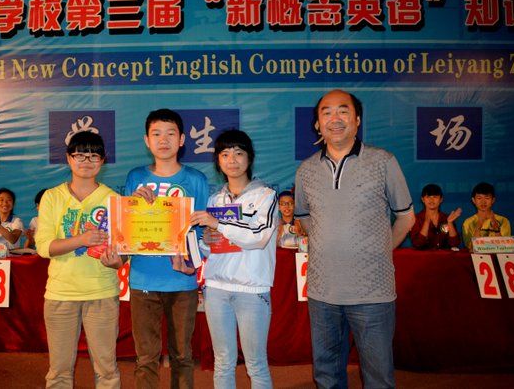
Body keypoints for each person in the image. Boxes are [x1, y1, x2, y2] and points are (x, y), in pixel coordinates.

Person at [294, 89, 415, 389]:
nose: (335, 118)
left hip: (372, 293)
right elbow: (304, 219)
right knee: (327, 375)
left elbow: (406, 218)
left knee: (378, 377)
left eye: (343, 110)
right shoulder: (306, 170)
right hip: (322, 293)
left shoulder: (383, 161)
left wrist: (378, 251)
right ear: (317, 124)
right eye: (326, 112)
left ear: (357, 119)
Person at [126, 108, 208, 389]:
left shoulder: (196, 180)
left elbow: (201, 232)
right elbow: (126, 230)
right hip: (143, 280)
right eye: (156, 134)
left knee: (182, 356)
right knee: (145, 357)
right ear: (146, 141)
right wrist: (134, 206)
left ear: (182, 139)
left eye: (171, 133)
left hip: (182, 280)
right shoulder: (135, 177)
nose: (163, 140)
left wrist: (192, 264)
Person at [190, 129, 278, 388]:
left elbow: (259, 237)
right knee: (223, 361)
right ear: (218, 161)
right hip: (216, 289)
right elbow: (210, 248)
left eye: (239, 153)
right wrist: (207, 240)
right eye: (225, 154)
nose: (232, 160)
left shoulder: (265, 196)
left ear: (249, 158)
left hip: (252, 290)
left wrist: (219, 225)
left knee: (256, 364)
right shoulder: (215, 199)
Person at [34, 131, 123, 388]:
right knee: (59, 371)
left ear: (103, 161)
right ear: (68, 158)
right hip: (60, 293)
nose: (86, 161)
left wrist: (116, 261)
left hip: (101, 292)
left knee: (107, 371)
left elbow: (123, 254)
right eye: (80, 155)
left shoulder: (113, 200)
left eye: (94, 155)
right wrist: (81, 240)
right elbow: (44, 247)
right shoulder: (52, 197)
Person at [410, 184, 462, 250]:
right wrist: (426, 223)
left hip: (444, 256)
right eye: (428, 197)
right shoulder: (416, 219)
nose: (431, 200)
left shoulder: (446, 218)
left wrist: (450, 223)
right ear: (422, 199)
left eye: (435, 197)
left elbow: (454, 244)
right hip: (424, 256)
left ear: (441, 199)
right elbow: (417, 244)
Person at [462, 182, 512, 249]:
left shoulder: (503, 221)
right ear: (473, 200)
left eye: (487, 198)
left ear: (493, 200)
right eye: (479, 198)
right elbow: (470, 247)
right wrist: (479, 225)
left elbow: (505, 247)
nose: (483, 202)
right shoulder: (468, 222)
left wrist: (496, 228)